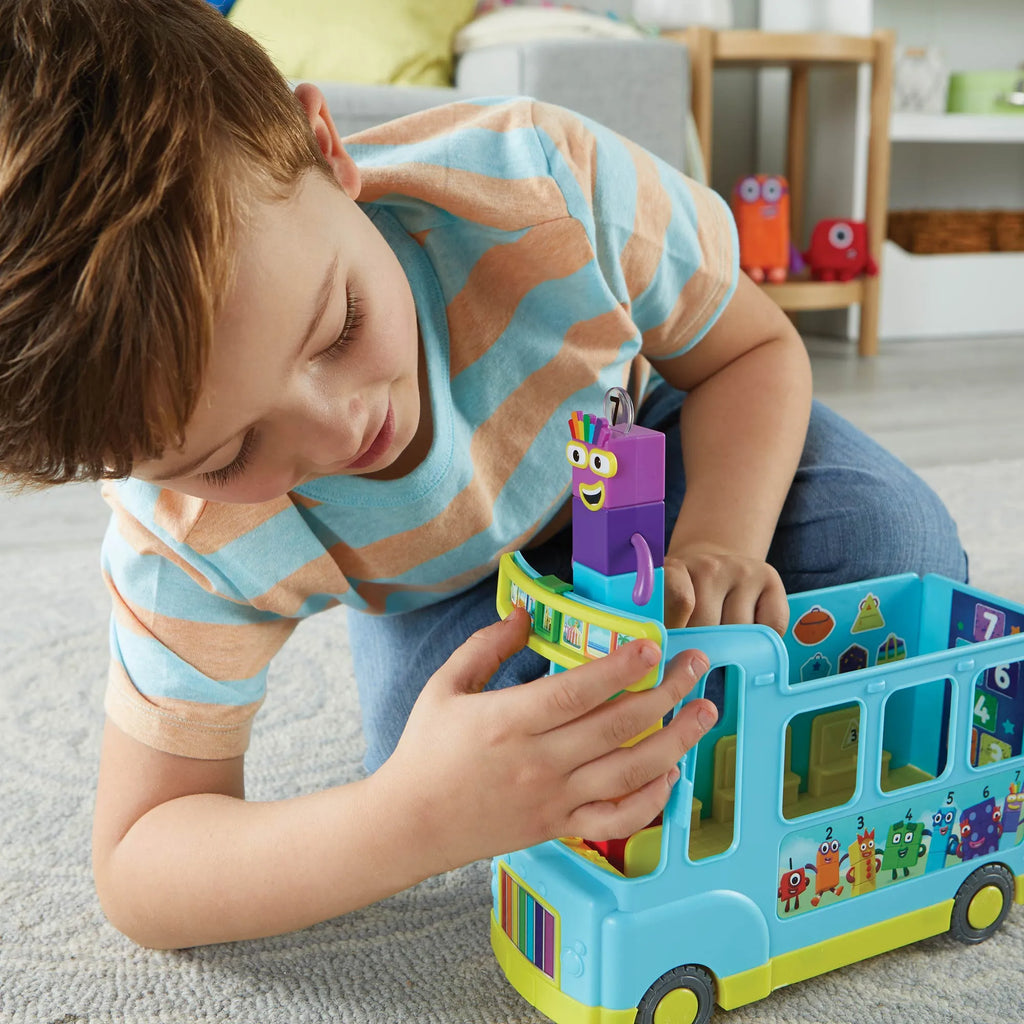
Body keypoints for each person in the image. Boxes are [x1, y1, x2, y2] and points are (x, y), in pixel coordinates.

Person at [0, 0, 966, 950]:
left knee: (897, 546)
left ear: (328, 152)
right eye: (227, 456)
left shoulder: (541, 184)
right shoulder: (184, 536)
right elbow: (138, 867)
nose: (342, 429)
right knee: (484, 760)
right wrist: (405, 820)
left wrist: (720, 535)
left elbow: (751, 354)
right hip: (454, 588)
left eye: (338, 327)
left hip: (647, 443)